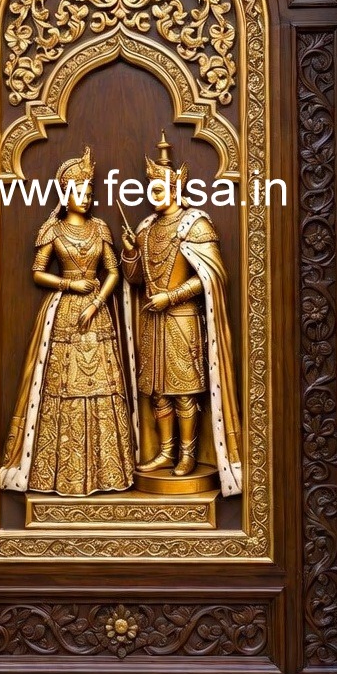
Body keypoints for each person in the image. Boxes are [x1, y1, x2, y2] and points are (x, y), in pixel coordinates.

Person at [0, 147, 135, 495]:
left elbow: (113, 271)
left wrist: (97, 302)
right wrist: (69, 284)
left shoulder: (100, 228)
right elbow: (37, 272)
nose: (86, 198)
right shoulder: (53, 230)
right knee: (64, 387)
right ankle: (60, 474)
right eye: (80, 192)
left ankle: (108, 471)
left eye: (90, 193)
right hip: (64, 312)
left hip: (96, 313)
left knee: (103, 387)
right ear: (65, 194)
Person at [121, 132, 243, 496]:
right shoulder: (145, 229)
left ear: (176, 189)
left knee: (184, 391)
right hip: (151, 320)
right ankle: (165, 451)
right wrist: (130, 253)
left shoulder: (196, 224)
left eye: (159, 189)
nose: (153, 196)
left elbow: (211, 276)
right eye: (150, 190)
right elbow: (136, 280)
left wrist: (171, 296)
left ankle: (188, 454)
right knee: (157, 392)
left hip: (182, 319)